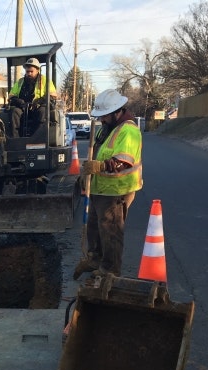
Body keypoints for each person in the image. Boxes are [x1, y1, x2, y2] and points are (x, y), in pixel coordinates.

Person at [74, 89, 143, 279]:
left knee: (110, 230)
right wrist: (86, 174)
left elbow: (123, 161)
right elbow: (96, 154)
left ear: (117, 112)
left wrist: (100, 166)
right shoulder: (106, 128)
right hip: (101, 187)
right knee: (94, 226)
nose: (101, 119)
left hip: (116, 190)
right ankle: (95, 259)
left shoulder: (128, 131)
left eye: (104, 115)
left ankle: (110, 270)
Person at [7, 57, 57, 137]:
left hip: (38, 107)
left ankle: (38, 138)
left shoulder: (45, 80)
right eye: (27, 71)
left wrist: (39, 101)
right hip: (23, 108)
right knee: (14, 112)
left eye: (31, 71)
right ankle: (16, 139)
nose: (29, 73)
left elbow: (53, 96)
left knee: (42, 112)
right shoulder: (20, 82)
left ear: (37, 70)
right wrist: (20, 102)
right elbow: (11, 96)